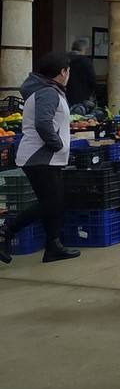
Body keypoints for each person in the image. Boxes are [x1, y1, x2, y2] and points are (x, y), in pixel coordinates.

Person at [0, 52, 80, 265]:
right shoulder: (48, 93)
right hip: (41, 157)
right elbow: (43, 123)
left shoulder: (48, 90)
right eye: (68, 70)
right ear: (62, 72)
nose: (68, 74)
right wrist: (58, 144)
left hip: (47, 158)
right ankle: (6, 232)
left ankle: (53, 245)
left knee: (54, 202)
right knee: (49, 202)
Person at [65, 37, 97, 108]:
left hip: (65, 95)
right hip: (82, 97)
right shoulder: (86, 61)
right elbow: (92, 80)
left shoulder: (64, 59)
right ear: (84, 49)